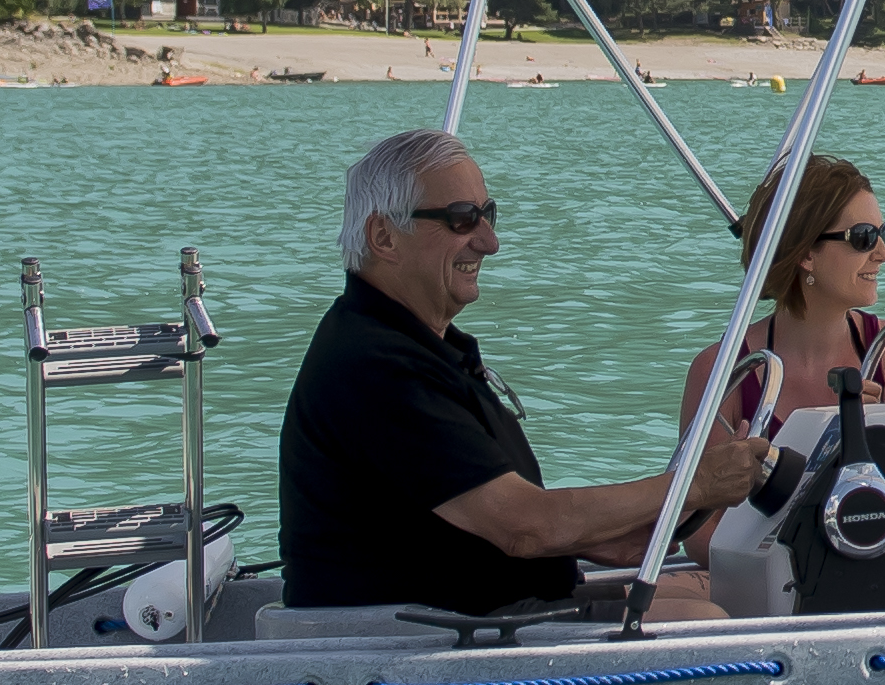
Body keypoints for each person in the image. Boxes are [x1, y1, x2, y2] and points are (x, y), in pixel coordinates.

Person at [276, 126, 765, 615]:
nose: (490, 242)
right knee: (708, 620)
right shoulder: (377, 368)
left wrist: (626, 525)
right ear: (384, 236)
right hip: (415, 645)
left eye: (487, 214)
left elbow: (494, 518)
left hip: (473, 611)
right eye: (462, 219)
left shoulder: (410, 349)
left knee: (732, 599)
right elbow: (524, 528)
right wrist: (695, 484)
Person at [679, 150, 885, 446]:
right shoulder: (721, 373)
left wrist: (873, 430)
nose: (883, 254)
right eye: (863, 237)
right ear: (805, 253)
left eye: (882, 234)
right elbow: (698, 491)